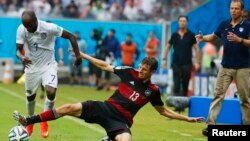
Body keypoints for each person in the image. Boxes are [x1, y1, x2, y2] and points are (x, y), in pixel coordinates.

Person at [13, 53, 204, 141]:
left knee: (126, 140)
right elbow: (105, 66)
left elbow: (164, 111)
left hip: (121, 121)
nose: (140, 72)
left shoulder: (153, 91)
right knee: (67, 108)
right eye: (140, 68)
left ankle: (110, 138)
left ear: (152, 72)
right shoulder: (129, 72)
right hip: (105, 108)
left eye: (145, 70)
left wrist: (187, 118)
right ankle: (28, 120)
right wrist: (84, 56)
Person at [15, 10, 82, 138]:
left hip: (48, 66)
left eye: (30, 26)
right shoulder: (21, 29)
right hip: (31, 67)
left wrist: (78, 56)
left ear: (36, 21)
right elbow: (18, 50)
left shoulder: (49, 27)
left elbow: (71, 36)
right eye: (26, 26)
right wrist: (21, 58)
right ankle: (30, 121)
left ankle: (44, 120)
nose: (27, 29)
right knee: (30, 97)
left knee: (51, 92)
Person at [195, 0, 250, 136]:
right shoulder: (224, 24)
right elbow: (213, 36)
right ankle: (210, 126)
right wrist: (203, 38)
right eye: (231, 8)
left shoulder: (248, 26)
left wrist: (241, 40)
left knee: (244, 99)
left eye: (236, 8)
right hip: (225, 67)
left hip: (242, 68)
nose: (233, 11)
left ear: (242, 11)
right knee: (218, 95)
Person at [162, 15, 201, 97]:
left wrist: (198, 62)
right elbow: (167, 47)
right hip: (176, 64)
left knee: (185, 86)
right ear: (178, 22)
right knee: (176, 85)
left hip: (187, 64)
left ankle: (182, 105)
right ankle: (176, 104)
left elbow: (197, 49)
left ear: (187, 22)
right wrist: (164, 59)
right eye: (180, 21)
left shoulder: (191, 35)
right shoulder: (174, 35)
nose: (182, 23)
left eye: (184, 21)